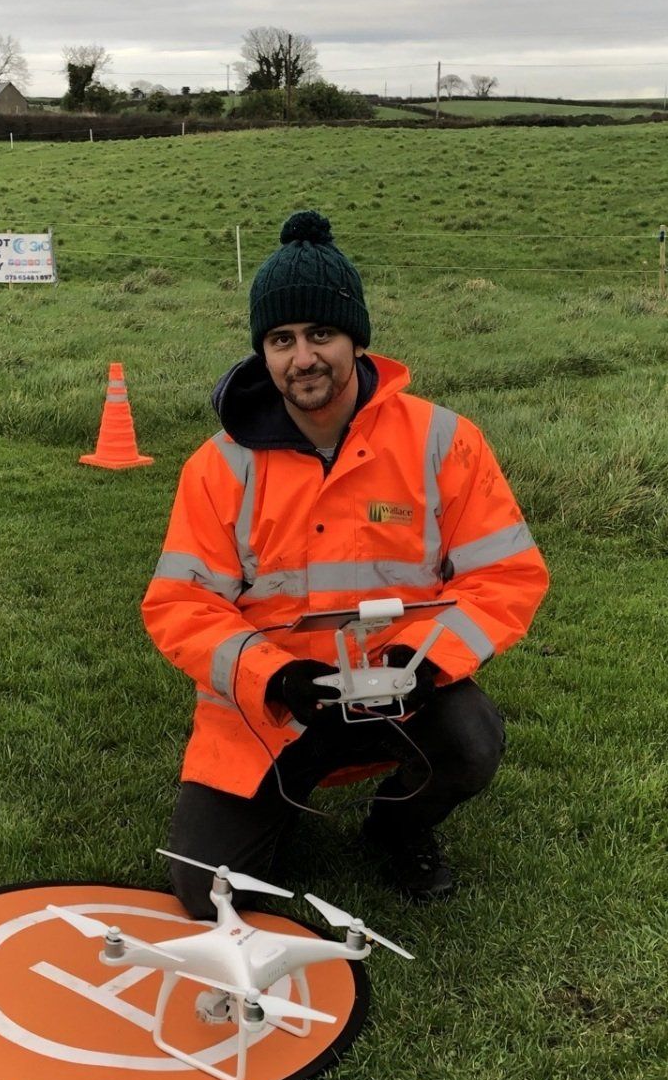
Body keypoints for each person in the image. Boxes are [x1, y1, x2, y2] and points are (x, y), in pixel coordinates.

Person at [142, 210, 549, 919]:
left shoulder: (444, 441)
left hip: (404, 692)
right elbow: (180, 605)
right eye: (282, 339)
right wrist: (276, 676)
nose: (303, 357)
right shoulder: (219, 466)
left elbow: (506, 577)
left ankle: (397, 828)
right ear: (262, 352)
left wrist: (431, 661)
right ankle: (273, 804)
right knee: (206, 895)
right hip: (273, 709)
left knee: (471, 737)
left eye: (320, 334)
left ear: (355, 338)